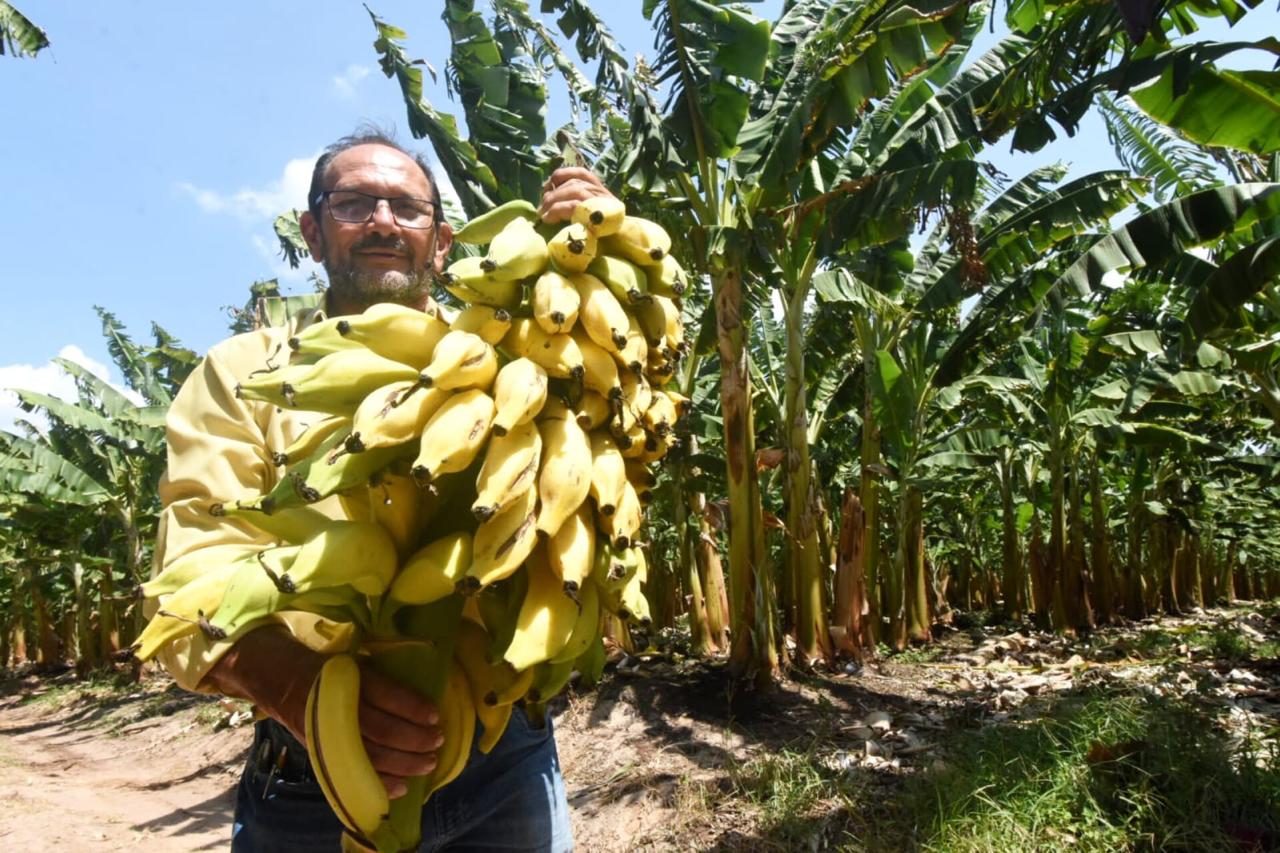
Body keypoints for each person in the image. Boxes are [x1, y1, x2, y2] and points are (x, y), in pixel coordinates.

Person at [151, 128, 613, 851]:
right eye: (353, 202)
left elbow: (608, 447)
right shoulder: (244, 373)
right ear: (311, 231)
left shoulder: (511, 360)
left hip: (505, 766)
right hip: (315, 776)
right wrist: (306, 691)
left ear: (443, 239)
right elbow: (194, 578)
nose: (382, 221)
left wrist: (595, 268)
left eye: (407, 207)